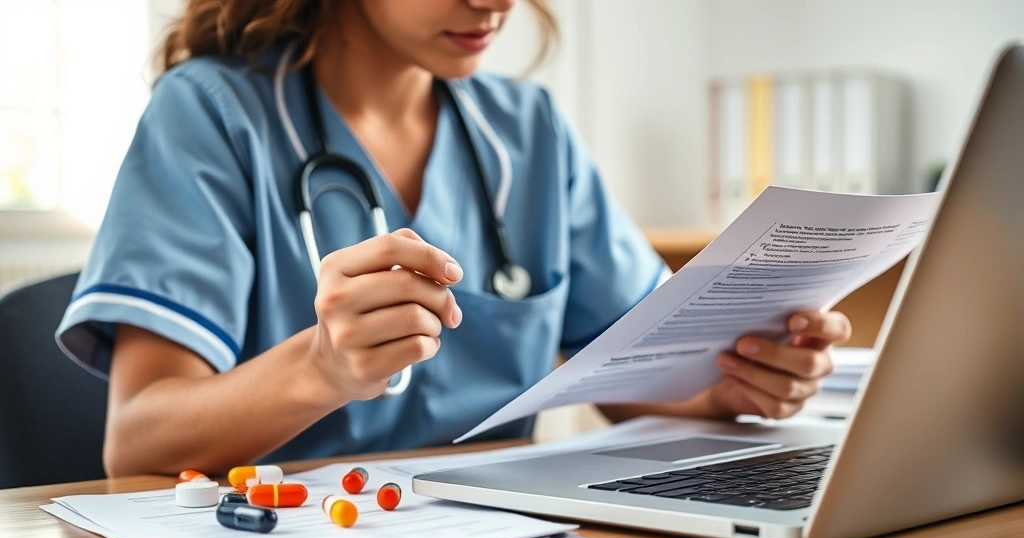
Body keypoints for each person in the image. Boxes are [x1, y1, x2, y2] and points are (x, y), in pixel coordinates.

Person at [57, 0, 851, 477]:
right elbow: (137, 443)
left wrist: (731, 384)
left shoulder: (530, 131)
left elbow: (627, 372)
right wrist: (324, 365)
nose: (494, 2)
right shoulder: (212, 115)